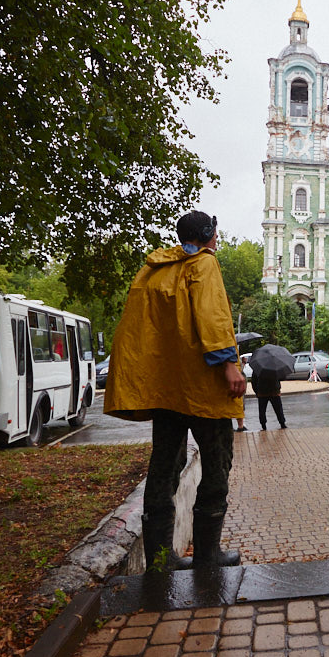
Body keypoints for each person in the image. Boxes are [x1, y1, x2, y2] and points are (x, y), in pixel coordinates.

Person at [105, 210, 246, 572]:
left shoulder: (151, 270)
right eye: (215, 232)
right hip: (203, 388)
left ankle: (160, 560)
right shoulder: (204, 265)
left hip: (166, 390)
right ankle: (207, 557)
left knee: (164, 467)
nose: (217, 239)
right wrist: (229, 364)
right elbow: (212, 315)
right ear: (207, 234)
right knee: (216, 468)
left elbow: (136, 329)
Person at [250, 362, 287, 431]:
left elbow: (253, 381)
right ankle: (282, 423)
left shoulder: (258, 368)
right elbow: (282, 377)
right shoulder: (275, 366)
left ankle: (263, 426)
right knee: (278, 409)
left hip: (262, 392)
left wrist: (257, 392)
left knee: (262, 410)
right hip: (274, 391)